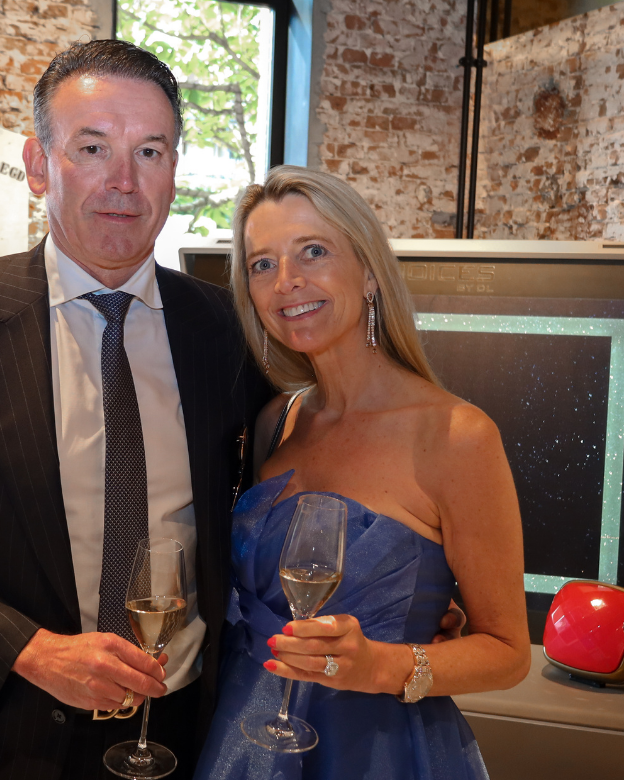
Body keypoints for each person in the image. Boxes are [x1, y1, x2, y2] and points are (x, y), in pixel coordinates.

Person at [0, 40, 272, 779]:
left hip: (181, 734)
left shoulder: (226, 330)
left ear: (174, 169)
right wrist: (31, 652)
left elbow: (270, 501)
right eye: (93, 148)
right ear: (39, 165)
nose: (124, 182)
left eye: (150, 152)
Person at [193, 167, 533, 779]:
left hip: (375, 750)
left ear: (371, 272)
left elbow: (508, 654)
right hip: (241, 737)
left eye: (313, 252)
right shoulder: (277, 420)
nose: (286, 281)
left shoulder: (457, 436)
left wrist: (380, 665)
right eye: (263, 264)